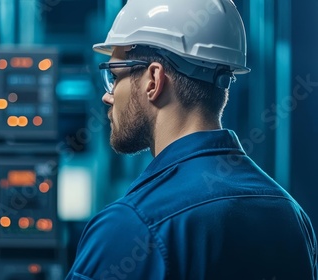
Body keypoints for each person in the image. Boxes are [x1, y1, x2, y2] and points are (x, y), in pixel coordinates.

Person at [66, 0, 318, 279]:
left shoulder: (132, 226)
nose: (108, 94)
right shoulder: (291, 217)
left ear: (153, 79)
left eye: (114, 76)